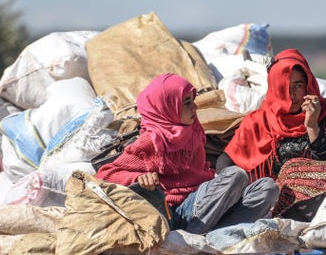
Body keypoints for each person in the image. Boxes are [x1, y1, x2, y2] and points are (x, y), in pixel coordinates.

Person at [96, 73, 279, 234]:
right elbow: (105, 174)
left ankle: (216, 233)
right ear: (168, 106)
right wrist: (138, 178)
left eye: (193, 101)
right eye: (186, 103)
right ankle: (195, 233)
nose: (195, 108)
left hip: (203, 201)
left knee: (267, 188)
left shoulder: (192, 130)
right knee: (236, 175)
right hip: (177, 211)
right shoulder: (152, 140)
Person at [216, 48, 326, 221]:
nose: (292, 94)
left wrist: (313, 127)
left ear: (308, 85)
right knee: (289, 171)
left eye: (298, 85)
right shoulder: (258, 121)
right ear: (275, 88)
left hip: (319, 203)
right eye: (283, 87)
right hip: (267, 203)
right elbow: (226, 160)